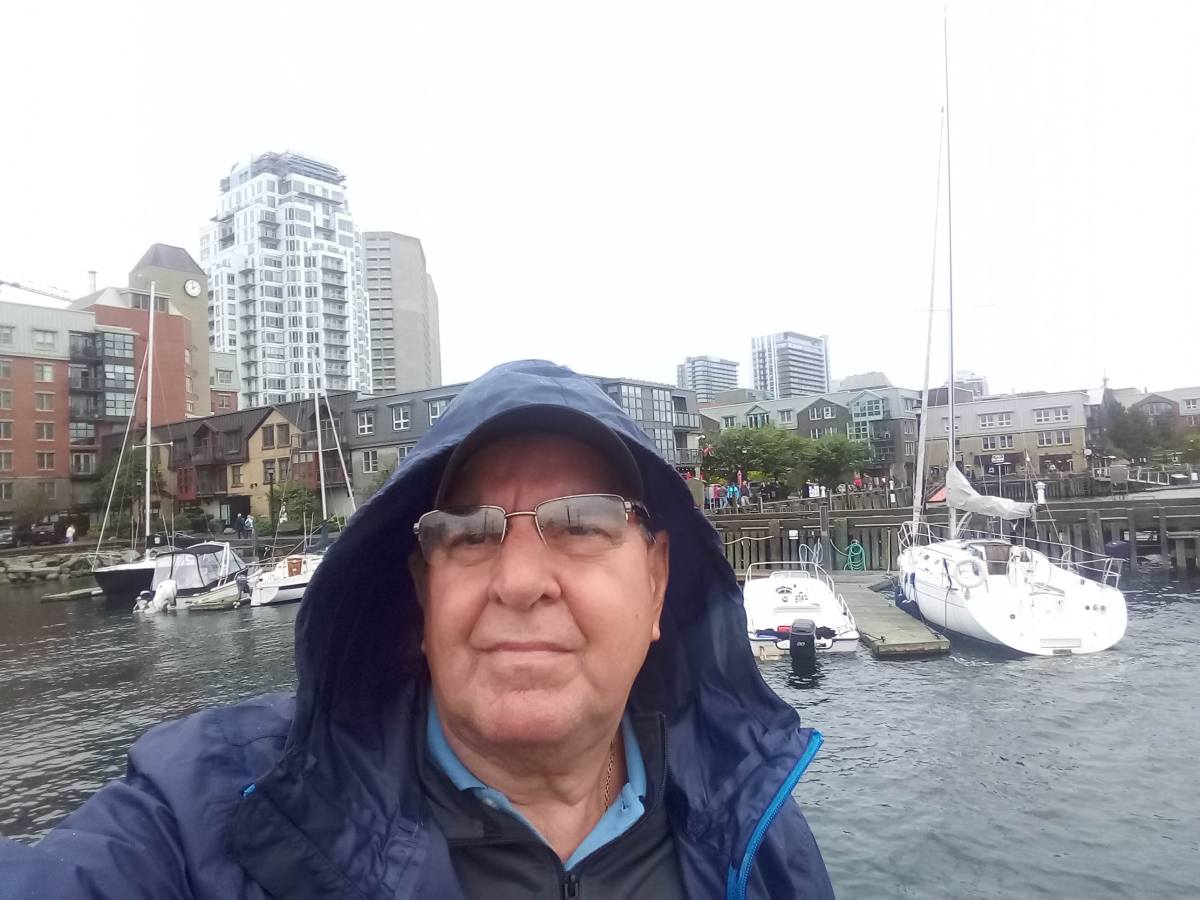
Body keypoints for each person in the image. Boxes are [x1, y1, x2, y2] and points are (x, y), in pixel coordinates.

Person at [0, 360, 832, 899]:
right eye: (468, 535)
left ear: (655, 585)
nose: (519, 581)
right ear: (422, 592)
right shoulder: (212, 814)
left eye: (581, 524)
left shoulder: (753, 836)